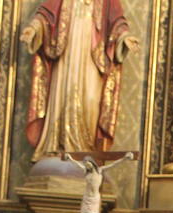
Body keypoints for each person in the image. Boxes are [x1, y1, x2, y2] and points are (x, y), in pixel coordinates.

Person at [21, 0, 140, 160]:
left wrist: (125, 37)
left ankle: (85, 150)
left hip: (92, 57)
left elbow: (116, 20)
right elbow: (46, 15)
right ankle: (56, 146)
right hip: (66, 57)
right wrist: (34, 28)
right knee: (62, 98)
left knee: (90, 100)